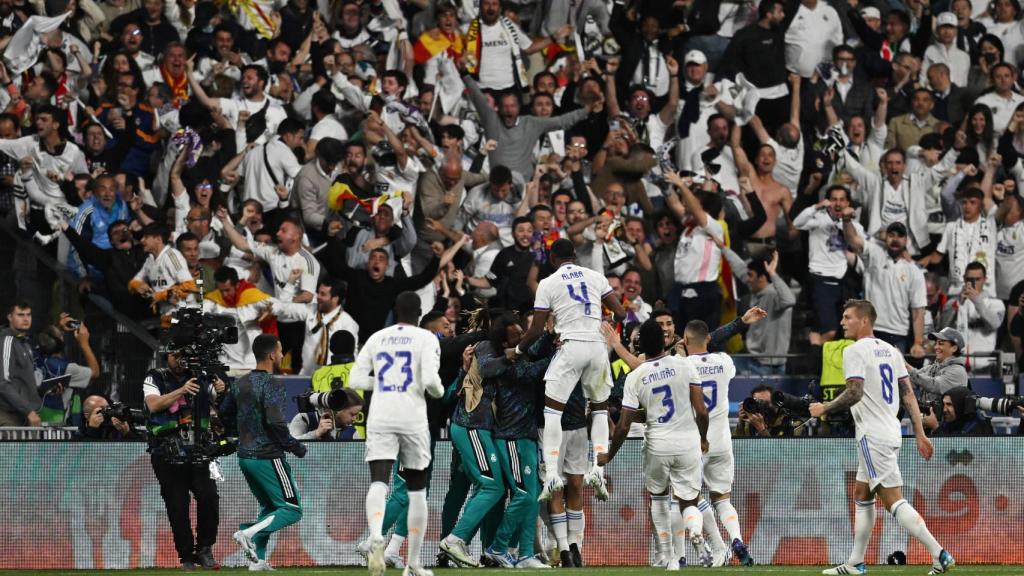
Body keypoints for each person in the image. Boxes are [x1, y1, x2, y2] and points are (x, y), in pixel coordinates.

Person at [810, 300, 955, 576]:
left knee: (893, 501)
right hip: (890, 431)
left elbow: (855, 392)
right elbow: (908, 394)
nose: (842, 322)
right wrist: (920, 433)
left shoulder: (854, 351)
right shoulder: (891, 351)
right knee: (862, 493)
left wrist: (824, 408)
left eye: (847, 317)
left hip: (872, 435)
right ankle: (855, 562)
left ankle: (939, 554)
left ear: (864, 321)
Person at [513, 239, 627, 502]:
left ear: (552, 259)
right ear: (575, 255)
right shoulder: (596, 276)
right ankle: (598, 469)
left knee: (553, 412)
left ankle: (552, 474)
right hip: (597, 347)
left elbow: (536, 328)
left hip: (570, 346)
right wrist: (605, 322)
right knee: (599, 408)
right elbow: (621, 312)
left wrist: (518, 351)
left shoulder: (548, 283)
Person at [599, 319, 709, 572]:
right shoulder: (684, 365)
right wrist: (703, 438)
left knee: (659, 500)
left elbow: (624, 425)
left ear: (640, 346)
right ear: (664, 341)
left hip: (658, 445)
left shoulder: (635, 376)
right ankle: (694, 530)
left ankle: (669, 557)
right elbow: (701, 411)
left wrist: (610, 455)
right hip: (687, 443)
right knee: (689, 499)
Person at [351, 292, 444, 576]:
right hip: (412, 418)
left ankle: (376, 535)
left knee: (379, 482)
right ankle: (413, 563)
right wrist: (438, 392)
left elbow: (355, 379)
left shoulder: (377, 337)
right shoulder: (426, 338)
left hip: (380, 416)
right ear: (419, 312)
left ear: (395, 309)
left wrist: (384, 380)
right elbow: (431, 382)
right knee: (416, 491)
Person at [220, 334, 307, 572]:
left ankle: (257, 562)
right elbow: (276, 423)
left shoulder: (240, 383)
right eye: (280, 352)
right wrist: (295, 446)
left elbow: (225, 413)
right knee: (291, 509)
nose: (281, 356)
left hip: (245, 457)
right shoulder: (273, 384)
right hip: (268, 456)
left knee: (270, 508)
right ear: (271, 355)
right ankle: (247, 533)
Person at [142, 348, 226, 570]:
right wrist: (182, 390)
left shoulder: (202, 376)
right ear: (166, 355)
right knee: (178, 505)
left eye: (183, 355)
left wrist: (221, 389)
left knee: (209, 497)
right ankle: (186, 556)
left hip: (200, 449)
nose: (179, 360)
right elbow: (153, 405)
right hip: (167, 452)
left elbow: (220, 405)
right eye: (174, 354)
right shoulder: (155, 376)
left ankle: (205, 549)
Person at [682, 320, 752, 567]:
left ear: (685, 339)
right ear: (708, 339)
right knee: (722, 499)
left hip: (695, 441)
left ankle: (713, 545)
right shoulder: (724, 361)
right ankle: (737, 539)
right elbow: (707, 343)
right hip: (722, 440)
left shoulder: (683, 365)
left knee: (690, 497)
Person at [843, 220, 927, 355]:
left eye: (900, 236)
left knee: (893, 375)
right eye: (891, 235)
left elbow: (918, 311)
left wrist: (918, 342)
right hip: (870, 329)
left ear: (906, 240)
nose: (895, 239)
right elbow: (852, 239)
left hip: (898, 333)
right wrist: (846, 219)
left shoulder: (914, 271)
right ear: (885, 238)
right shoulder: (874, 254)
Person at [0, 302, 42, 427]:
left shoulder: (24, 343)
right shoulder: (7, 341)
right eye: (20, 315)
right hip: (7, 414)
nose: (25, 318)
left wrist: (48, 389)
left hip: (22, 413)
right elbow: (2, 382)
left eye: (28, 315)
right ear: (9, 317)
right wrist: (28, 411)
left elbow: (24, 382)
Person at [289, 389, 364, 440]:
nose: (354, 419)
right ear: (339, 409)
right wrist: (316, 433)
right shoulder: (304, 418)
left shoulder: (351, 432)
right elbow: (290, 447)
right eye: (352, 414)